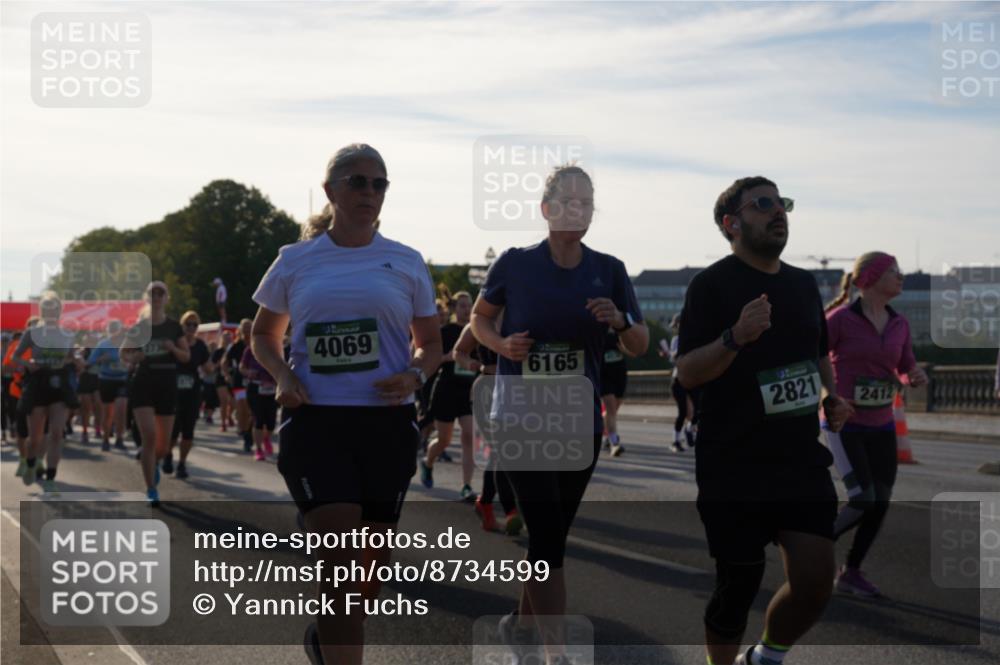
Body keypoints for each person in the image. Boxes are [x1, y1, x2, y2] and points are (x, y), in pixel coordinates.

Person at [249, 143, 441, 665]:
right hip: (317, 423)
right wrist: (283, 374)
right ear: (331, 190)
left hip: (386, 426)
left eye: (379, 184)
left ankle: (323, 639)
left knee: (366, 579)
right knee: (340, 566)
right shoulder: (296, 260)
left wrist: (414, 374)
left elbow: (432, 343)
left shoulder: (405, 261)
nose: (369, 192)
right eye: (357, 181)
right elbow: (263, 334)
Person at [471, 165, 647, 665]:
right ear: (546, 209)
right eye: (568, 200)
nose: (578, 209)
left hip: (578, 423)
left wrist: (619, 320)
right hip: (521, 419)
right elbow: (479, 320)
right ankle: (556, 654)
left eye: (587, 202)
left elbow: (639, 344)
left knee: (551, 539)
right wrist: (503, 343)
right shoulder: (514, 264)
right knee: (547, 536)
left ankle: (517, 625)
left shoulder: (609, 269)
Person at [676, 176, 853, 665]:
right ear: (732, 224)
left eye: (783, 204)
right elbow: (688, 372)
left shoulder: (801, 284)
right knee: (738, 585)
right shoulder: (711, 285)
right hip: (732, 459)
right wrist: (735, 336)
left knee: (817, 581)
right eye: (764, 204)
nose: (779, 212)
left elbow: (817, 355)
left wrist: (831, 398)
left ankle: (767, 655)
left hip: (798, 458)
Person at [823, 252, 928, 598]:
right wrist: (832, 396)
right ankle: (813, 545)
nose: (901, 278)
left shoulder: (899, 323)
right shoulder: (839, 319)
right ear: (870, 278)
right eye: (894, 273)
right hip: (845, 425)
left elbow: (905, 364)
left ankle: (851, 571)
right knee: (862, 498)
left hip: (882, 425)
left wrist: (912, 375)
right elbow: (815, 357)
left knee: (880, 501)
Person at [121, 281, 190, 507]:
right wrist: (135, 358)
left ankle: (155, 463)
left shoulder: (173, 327)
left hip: (167, 382)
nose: (157, 296)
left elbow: (186, 357)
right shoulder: (140, 327)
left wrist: (173, 349)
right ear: (147, 298)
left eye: (161, 292)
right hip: (144, 381)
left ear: (167, 298)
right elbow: (124, 353)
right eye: (153, 293)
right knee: (149, 437)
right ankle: (151, 488)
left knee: (164, 444)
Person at [454, 320, 523, 534]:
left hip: (517, 390)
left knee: (506, 452)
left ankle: (485, 502)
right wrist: (472, 364)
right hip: (487, 388)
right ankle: (510, 510)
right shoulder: (479, 322)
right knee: (502, 451)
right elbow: (459, 352)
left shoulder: (522, 314)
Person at [11, 293, 77, 491]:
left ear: (59, 311)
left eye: (54, 308)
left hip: (59, 384)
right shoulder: (32, 332)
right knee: (35, 438)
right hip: (38, 384)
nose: (51, 311)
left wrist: (75, 361)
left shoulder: (67, 334)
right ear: (41, 311)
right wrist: (28, 365)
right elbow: (16, 356)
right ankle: (31, 463)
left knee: (57, 433)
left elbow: (71, 358)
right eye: (47, 308)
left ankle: (50, 479)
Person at [421, 291, 477, 498]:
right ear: (454, 309)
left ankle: (467, 486)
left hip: (467, 391)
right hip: (445, 389)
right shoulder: (446, 332)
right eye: (462, 305)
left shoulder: (477, 331)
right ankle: (428, 462)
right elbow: (433, 360)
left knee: (469, 435)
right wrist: (452, 357)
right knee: (444, 440)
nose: (466, 309)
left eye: (469, 305)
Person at [164, 311, 212, 479]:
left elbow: (208, 367)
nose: (191, 328)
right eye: (188, 324)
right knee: (173, 429)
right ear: (182, 325)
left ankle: (182, 463)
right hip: (173, 391)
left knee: (188, 430)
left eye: (195, 325)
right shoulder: (173, 343)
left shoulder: (200, 345)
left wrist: (210, 366)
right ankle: (168, 454)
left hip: (192, 392)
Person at [89, 319, 129, 450]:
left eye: (117, 330)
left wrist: (130, 363)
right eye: (112, 330)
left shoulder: (127, 344)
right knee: (108, 413)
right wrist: (102, 359)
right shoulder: (103, 344)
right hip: (106, 380)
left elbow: (136, 356)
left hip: (122, 380)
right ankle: (106, 438)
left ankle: (119, 438)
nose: (115, 333)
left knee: (121, 410)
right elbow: (91, 361)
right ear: (108, 331)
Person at [665, 313, 698, 453]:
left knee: (698, 409)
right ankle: (675, 440)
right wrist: (670, 354)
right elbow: (673, 358)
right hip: (679, 379)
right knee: (683, 411)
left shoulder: (693, 337)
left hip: (693, 378)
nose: (677, 328)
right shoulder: (676, 340)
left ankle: (689, 429)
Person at [240, 340, 278, 461]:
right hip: (255, 388)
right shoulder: (251, 349)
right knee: (259, 419)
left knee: (271, 422)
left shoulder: (277, 347)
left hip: (272, 388)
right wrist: (248, 372)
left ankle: (266, 438)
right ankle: (258, 449)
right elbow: (242, 367)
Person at [599, 328, 632, 456]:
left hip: (619, 374)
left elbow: (633, 352)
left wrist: (624, 348)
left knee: (612, 410)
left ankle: (605, 433)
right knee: (611, 409)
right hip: (604, 374)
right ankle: (614, 443)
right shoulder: (598, 332)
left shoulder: (620, 331)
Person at [223, 319, 255, 452]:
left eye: (249, 327)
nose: (247, 330)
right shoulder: (235, 346)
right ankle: (245, 433)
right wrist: (227, 375)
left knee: (251, 410)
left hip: (255, 381)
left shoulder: (257, 344)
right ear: (240, 331)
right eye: (245, 328)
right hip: (239, 381)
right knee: (242, 407)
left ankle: (248, 431)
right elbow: (225, 361)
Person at [75, 333, 102, 445]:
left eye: (93, 340)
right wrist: (96, 361)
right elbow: (82, 366)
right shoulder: (81, 352)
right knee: (86, 407)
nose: (91, 342)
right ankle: (85, 431)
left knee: (98, 405)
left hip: (98, 380)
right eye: (89, 340)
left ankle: (98, 429)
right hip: (85, 381)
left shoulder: (100, 351)